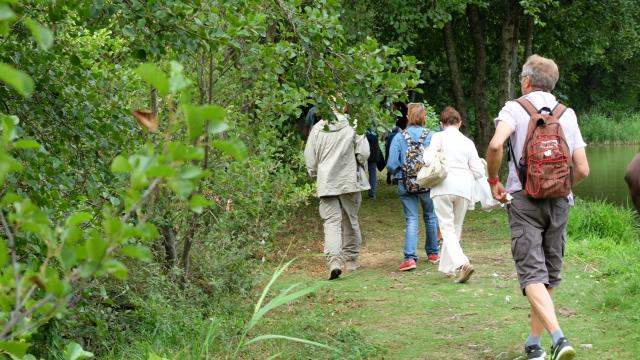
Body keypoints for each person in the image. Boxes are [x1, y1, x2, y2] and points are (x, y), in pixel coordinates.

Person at [486, 54, 590, 360]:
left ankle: (557, 338)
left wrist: (494, 181)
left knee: (532, 275)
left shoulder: (514, 108)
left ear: (527, 80)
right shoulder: (566, 114)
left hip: (524, 201)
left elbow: (495, 146)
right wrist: (558, 186)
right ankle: (534, 344)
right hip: (560, 203)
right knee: (548, 276)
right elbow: (582, 169)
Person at [304, 105, 370, 280]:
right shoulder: (353, 125)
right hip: (349, 180)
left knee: (331, 223)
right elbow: (364, 153)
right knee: (351, 219)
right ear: (345, 106)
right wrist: (358, 163)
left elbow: (310, 159)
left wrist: (316, 174)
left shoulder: (318, 128)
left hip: (326, 182)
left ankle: (334, 261)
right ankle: (351, 260)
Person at [424, 107, 484, 282]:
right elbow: (478, 171)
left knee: (446, 228)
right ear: (459, 123)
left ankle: (462, 263)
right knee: (454, 228)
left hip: (442, 186)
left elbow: (427, 160)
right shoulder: (468, 142)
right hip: (464, 188)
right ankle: (447, 268)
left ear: (442, 124)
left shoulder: (438, 137)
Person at [387, 102, 439, 271]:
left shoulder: (399, 137)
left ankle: (410, 258)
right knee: (430, 216)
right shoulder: (432, 136)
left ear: (408, 116)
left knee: (412, 218)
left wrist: (400, 176)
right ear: (424, 117)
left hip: (405, 183)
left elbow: (392, 163)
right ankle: (433, 253)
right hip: (428, 183)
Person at [365, 128, 385, 199]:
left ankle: (359, 191)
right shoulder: (375, 132)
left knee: (360, 173)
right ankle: (372, 193)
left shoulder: (363, 131)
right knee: (372, 174)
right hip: (373, 156)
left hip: (363, 154)